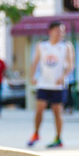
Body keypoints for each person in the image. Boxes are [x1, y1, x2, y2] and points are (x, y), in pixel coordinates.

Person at [28, 20, 74, 148]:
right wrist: (32, 76)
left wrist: (63, 76)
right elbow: (35, 62)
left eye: (63, 31)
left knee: (57, 111)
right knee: (39, 109)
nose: (61, 34)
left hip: (58, 85)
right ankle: (36, 133)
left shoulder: (66, 46)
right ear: (51, 31)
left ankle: (58, 138)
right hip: (44, 83)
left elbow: (70, 65)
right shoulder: (42, 45)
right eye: (59, 31)